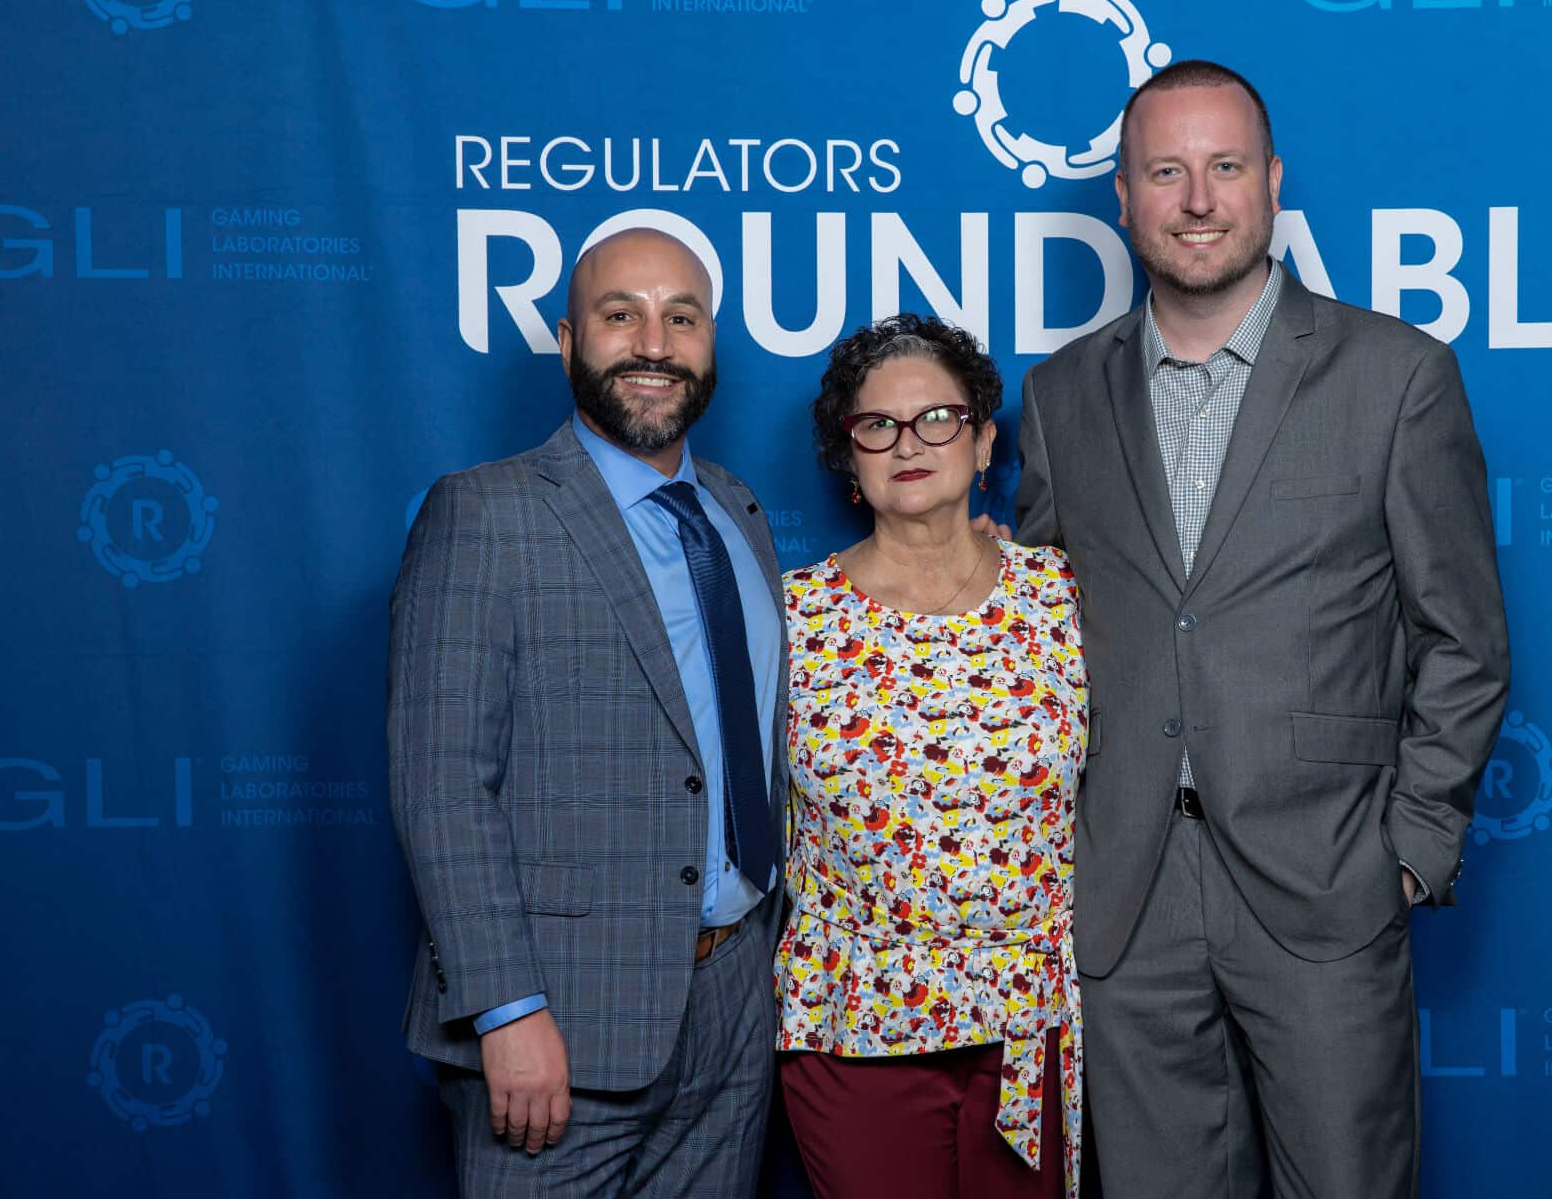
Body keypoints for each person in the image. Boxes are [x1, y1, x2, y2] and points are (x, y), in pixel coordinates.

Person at [1013, 60, 1512, 1197]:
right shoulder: (1059, 397)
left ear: (1273, 182)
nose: (1199, 199)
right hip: (1121, 893)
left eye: (1225, 167)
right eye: (1166, 172)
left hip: (1328, 879)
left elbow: (1465, 640)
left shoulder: (1397, 378)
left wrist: (1411, 848)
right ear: (1126, 201)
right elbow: (1044, 638)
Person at [388, 228, 787, 1197]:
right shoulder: (484, 514)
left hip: (735, 1006)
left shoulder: (737, 512)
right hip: (557, 1021)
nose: (654, 342)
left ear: (709, 345)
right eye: (622, 315)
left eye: (680, 318)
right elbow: (439, 780)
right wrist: (505, 1010)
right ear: (569, 340)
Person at [775, 315, 1087, 1199]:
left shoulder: (1062, 594)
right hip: (856, 1029)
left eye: (938, 419)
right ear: (849, 456)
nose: (909, 442)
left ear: (985, 441)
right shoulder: (789, 618)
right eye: (878, 425)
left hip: (1032, 1027)